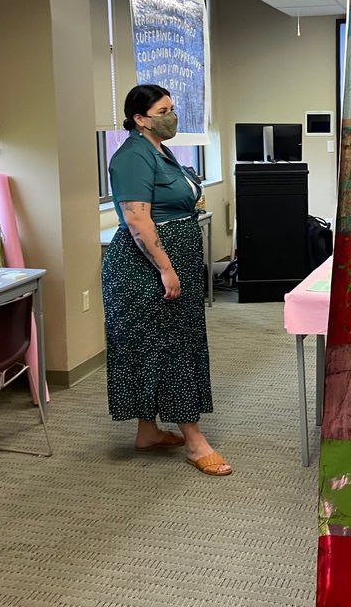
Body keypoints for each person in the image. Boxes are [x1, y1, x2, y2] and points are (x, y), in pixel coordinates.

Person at [102, 84, 232, 477]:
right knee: (171, 347)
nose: (171, 116)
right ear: (140, 119)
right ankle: (194, 441)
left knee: (170, 344)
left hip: (174, 262)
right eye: (163, 110)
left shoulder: (160, 150)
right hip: (145, 269)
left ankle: (148, 432)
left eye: (172, 108)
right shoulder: (131, 157)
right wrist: (166, 267)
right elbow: (137, 220)